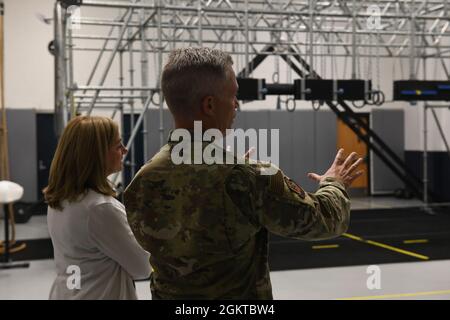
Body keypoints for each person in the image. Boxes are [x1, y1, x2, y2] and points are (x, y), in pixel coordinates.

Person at [124, 47, 363, 299]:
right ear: (209, 104)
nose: (236, 104)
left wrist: (235, 172)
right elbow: (326, 220)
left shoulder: (142, 180)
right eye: (234, 95)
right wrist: (334, 182)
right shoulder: (248, 178)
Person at [44, 116, 150, 300]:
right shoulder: (100, 208)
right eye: (118, 145)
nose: (124, 150)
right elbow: (143, 268)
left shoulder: (61, 199)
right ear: (97, 154)